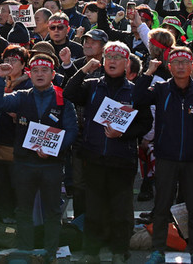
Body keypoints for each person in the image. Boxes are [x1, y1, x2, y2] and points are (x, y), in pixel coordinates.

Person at [63, 41, 153, 264]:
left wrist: (122, 134)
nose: (112, 61)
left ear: (126, 63)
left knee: (120, 209)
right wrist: (83, 70)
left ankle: (119, 251)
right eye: (109, 57)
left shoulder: (134, 91)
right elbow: (69, 93)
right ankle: (92, 251)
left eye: (118, 58)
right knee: (94, 207)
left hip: (122, 159)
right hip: (93, 156)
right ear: (103, 61)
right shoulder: (93, 86)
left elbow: (145, 123)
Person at [0, 52, 77, 260]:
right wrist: (0, 78)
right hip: (24, 163)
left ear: (53, 74)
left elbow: (72, 131)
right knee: (24, 210)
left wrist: (53, 150)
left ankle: (50, 252)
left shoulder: (63, 100)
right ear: (29, 74)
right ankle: (26, 252)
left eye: (45, 70)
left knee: (52, 211)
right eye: (35, 70)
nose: (39, 74)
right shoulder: (22, 97)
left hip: (51, 165)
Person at [135, 46, 193, 264]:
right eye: (176, 62)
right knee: (161, 205)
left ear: (191, 66)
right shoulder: (160, 89)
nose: (180, 66)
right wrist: (148, 72)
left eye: (185, 62)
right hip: (166, 156)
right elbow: (138, 98)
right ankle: (158, 249)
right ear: (169, 66)